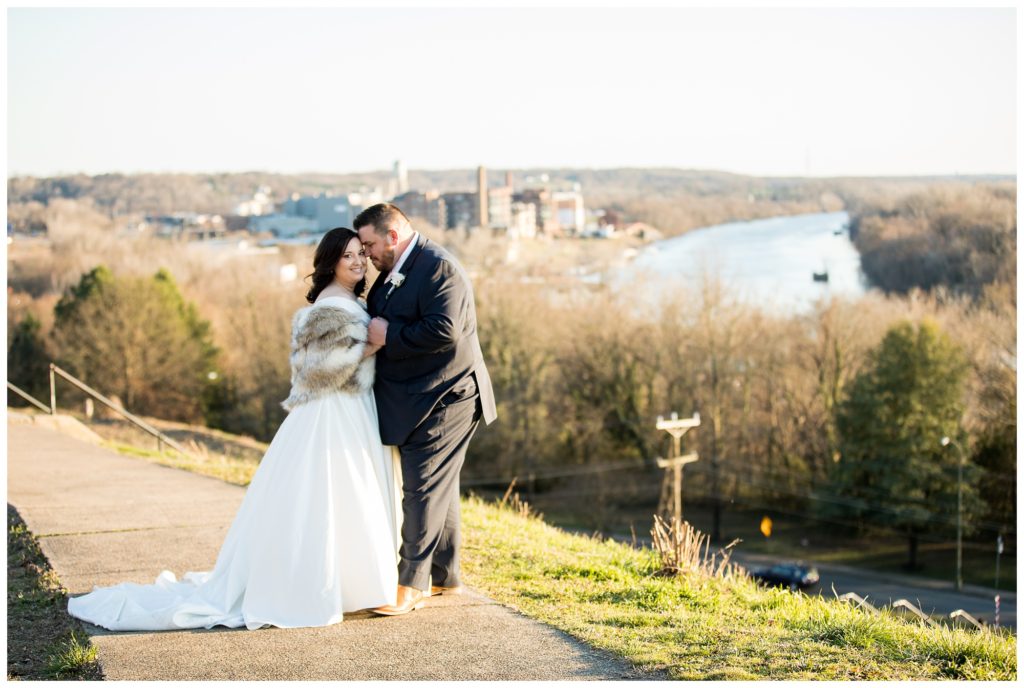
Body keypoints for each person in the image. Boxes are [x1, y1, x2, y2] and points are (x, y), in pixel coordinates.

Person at [67, 227, 401, 631]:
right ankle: (324, 586)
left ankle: (351, 584)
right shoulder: (330, 304)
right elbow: (318, 371)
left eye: (360, 255)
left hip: (353, 409)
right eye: (347, 255)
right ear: (330, 261)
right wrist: (372, 344)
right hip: (331, 415)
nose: (357, 261)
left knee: (348, 496)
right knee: (326, 496)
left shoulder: (349, 300)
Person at [355, 203, 497, 616]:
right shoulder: (395, 268)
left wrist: (388, 334)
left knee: (421, 488)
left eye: (369, 244)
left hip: (449, 395)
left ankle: (410, 584)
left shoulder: (439, 268)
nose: (366, 254)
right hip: (420, 393)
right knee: (440, 487)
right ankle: (443, 576)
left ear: (392, 237)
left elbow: (445, 330)